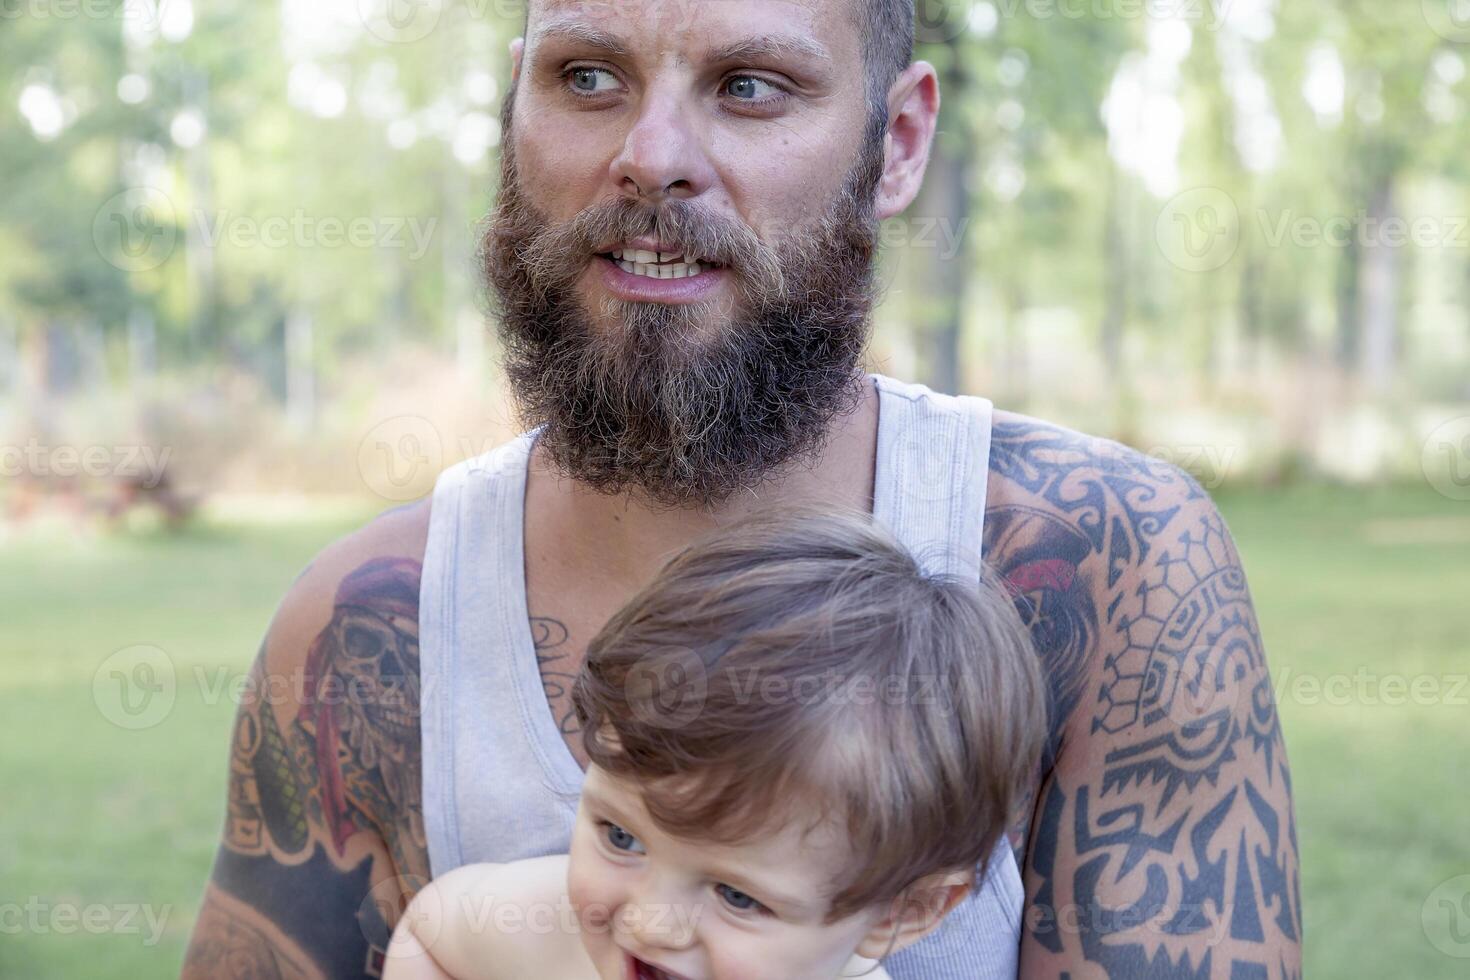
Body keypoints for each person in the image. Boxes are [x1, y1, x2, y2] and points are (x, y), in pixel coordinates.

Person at [183, 1, 1302, 977]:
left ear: (898, 140)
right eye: (586, 77)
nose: (652, 155)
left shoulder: (1112, 566)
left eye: (751, 86)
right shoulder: (364, 628)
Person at [382, 511, 1046, 980]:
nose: (649, 923)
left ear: (902, 912)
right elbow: (433, 930)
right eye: (622, 837)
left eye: (737, 897)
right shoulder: (544, 937)